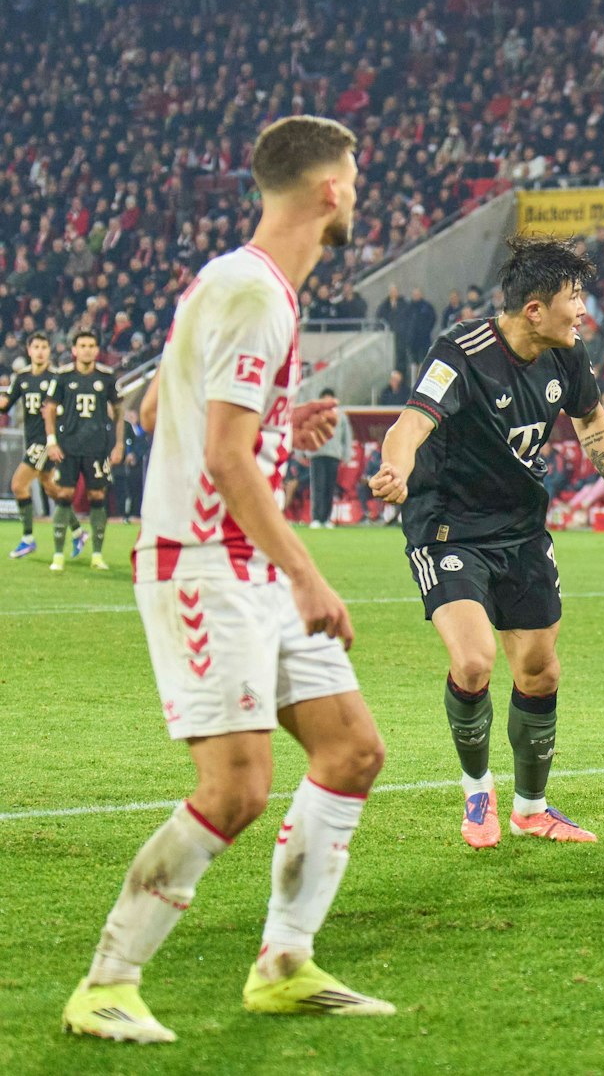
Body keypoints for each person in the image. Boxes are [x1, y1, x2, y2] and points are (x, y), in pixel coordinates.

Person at [63, 115, 392, 1044]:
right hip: (206, 567)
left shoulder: (233, 280)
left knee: (351, 750)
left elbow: (161, 399)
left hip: (244, 567)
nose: (357, 192)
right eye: (354, 177)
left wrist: (286, 420)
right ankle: (108, 980)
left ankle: (285, 961)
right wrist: (311, 575)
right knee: (239, 785)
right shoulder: (258, 294)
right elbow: (222, 454)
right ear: (328, 189)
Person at [369, 237, 604, 848]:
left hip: (521, 528)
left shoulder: (568, 355)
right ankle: (478, 795)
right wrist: (395, 467)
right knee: (473, 662)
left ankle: (532, 807)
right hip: (447, 525)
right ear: (533, 310)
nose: (583, 312)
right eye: (574, 300)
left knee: (541, 672)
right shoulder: (461, 352)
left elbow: (592, 420)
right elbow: (411, 422)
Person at [43, 330, 123, 571]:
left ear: (97, 350)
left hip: (97, 448)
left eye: (91, 345)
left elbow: (119, 413)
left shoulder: (107, 378)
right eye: (83, 345)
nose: (87, 349)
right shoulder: (62, 376)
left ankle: (97, 555)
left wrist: (118, 444)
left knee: (98, 497)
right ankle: (58, 555)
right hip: (67, 446)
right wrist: (51, 442)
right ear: (74, 350)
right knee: (64, 495)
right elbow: (49, 410)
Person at [1, 332, 58, 557]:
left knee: (18, 485)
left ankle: (27, 538)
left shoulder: (56, 377)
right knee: (50, 486)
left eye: (44, 346)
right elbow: (6, 404)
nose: (41, 351)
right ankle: (77, 532)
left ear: (49, 351)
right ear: (29, 350)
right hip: (31, 439)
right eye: (37, 347)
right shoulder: (22, 377)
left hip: (46, 440)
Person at [307, 390, 351, 528]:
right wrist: (303, 453)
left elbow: (347, 436)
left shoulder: (341, 416)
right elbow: (305, 432)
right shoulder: (314, 416)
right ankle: (316, 518)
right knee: (317, 487)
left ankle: (326, 518)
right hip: (317, 453)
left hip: (334, 454)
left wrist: (346, 454)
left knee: (329, 488)